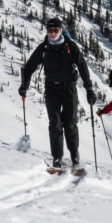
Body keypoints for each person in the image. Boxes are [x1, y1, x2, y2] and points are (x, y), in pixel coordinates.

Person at [18, 17, 96, 170]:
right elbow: (29, 66)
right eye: (49, 30)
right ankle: (57, 158)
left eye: (55, 30)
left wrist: (89, 89)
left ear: (60, 30)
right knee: (55, 124)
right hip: (51, 89)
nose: (52, 33)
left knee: (70, 124)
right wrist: (24, 85)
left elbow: (82, 66)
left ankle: (74, 156)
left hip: (69, 89)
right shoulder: (44, 47)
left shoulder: (70, 46)